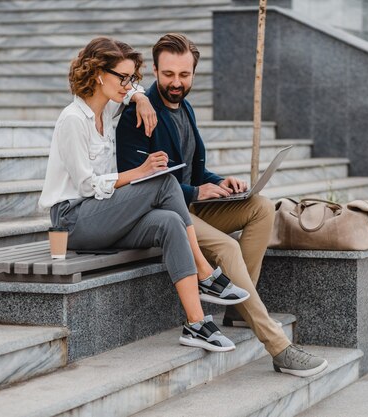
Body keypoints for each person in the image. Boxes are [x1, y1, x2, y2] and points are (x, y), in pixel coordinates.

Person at [116, 33, 329, 377]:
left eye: (184, 75)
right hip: (162, 213)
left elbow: (193, 170)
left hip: (191, 203)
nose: (176, 82)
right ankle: (278, 347)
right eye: (168, 74)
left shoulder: (184, 108)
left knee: (261, 206)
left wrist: (218, 182)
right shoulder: (137, 114)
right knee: (228, 248)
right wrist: (196, 193)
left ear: (194, 74)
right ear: (154, 70)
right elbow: (139, 182)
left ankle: (236, 310)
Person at [38, 37, 251, 353]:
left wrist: (141, 99)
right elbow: (86, 186)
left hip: (102, 214)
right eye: (122, 78)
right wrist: (138, 173)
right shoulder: (73, 119)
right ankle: (205, 272)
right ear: (99, 75)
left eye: (131, 78)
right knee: (162, 181)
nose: (128, 84)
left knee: (169, 223)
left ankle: (196, 324)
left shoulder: (111, 109)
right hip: (72, 220)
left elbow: (135, 92)